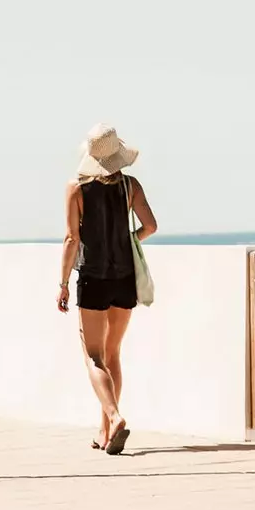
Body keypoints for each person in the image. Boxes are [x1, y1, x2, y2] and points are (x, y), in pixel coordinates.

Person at [57, 123, 158, 455]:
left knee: (93, 355)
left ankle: (113, 417)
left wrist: (62, 284)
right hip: (124, 279)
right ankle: (104, 431)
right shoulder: (130, 186)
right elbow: (151, 226)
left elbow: (72, 238)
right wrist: (129, 240)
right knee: (113, 354)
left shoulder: (76, 189)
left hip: (93, 278)